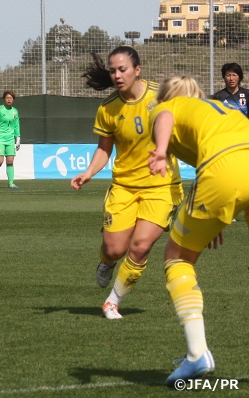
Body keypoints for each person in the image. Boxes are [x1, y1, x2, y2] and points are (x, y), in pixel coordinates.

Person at [148, 75, 248, 385]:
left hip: (225, 170)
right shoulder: (218, 108)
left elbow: (164, 115)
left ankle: (196, 354)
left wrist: (161, 149)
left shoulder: (166, 107)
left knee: (177, 257)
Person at [70, 46, 183, 320]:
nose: (117, 75)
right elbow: (104, 150)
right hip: (125, 187)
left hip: (162, 186)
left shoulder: (162, 96)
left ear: (137, 70)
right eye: (112, 70)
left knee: (141, 246)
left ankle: (112, 301)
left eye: (122, 69)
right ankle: (106, 261)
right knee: (115, 249)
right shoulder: (108, 109)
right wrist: (89, 172)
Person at [0, 90, 21, 189]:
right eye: (7, 98)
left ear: (13, 99)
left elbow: (16, 125)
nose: (9, 99)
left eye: (11, 98)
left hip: (10, 139)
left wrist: (18, 138)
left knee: (10, 161)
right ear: (4, 99)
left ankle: (11, 183)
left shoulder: (15, 111)